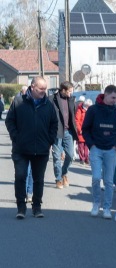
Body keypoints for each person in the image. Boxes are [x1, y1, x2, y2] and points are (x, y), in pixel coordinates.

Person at [5, 76, 58, 219]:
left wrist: (49, 141)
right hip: (21, 149)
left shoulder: (48, 104)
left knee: (38, 179)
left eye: (45, 89)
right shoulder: (19, 102)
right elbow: (10, 121)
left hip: (41, 149)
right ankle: (21, 208)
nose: (43, 91)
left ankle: (36, 207)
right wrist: (16, 137)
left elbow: (54, 124)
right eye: (41, 88)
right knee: (20, 177)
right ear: (33, 87)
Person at [82, 85, 116, 219]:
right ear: (105, 95)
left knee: (108, 181)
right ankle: (96, 204)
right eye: (113, 97)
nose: (115, 100)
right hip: (96, 149)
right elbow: (86, 129)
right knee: (96, 178)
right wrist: (92, 145)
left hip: (110, 150)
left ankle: (107, 208)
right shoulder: (93, 110)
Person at [49, 81, 78, 189]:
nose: (71, 94)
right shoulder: (52, 99)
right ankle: (58, 179)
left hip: (68, 132)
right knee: (56, 157)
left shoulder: (71, 100)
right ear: (63, 90)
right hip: (56, 132)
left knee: (70, 156)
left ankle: (64, 173)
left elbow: (72, 116)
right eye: (69, 91)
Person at [75, 98, 92, 165]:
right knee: (81, 145)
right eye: (87, 106)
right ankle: (82, 158)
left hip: (88, 131)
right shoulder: (79, 110)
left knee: (87, 146)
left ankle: (86, 158)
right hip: (81, 131)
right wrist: (79, 130)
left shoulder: (90, 110)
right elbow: (77, 121)